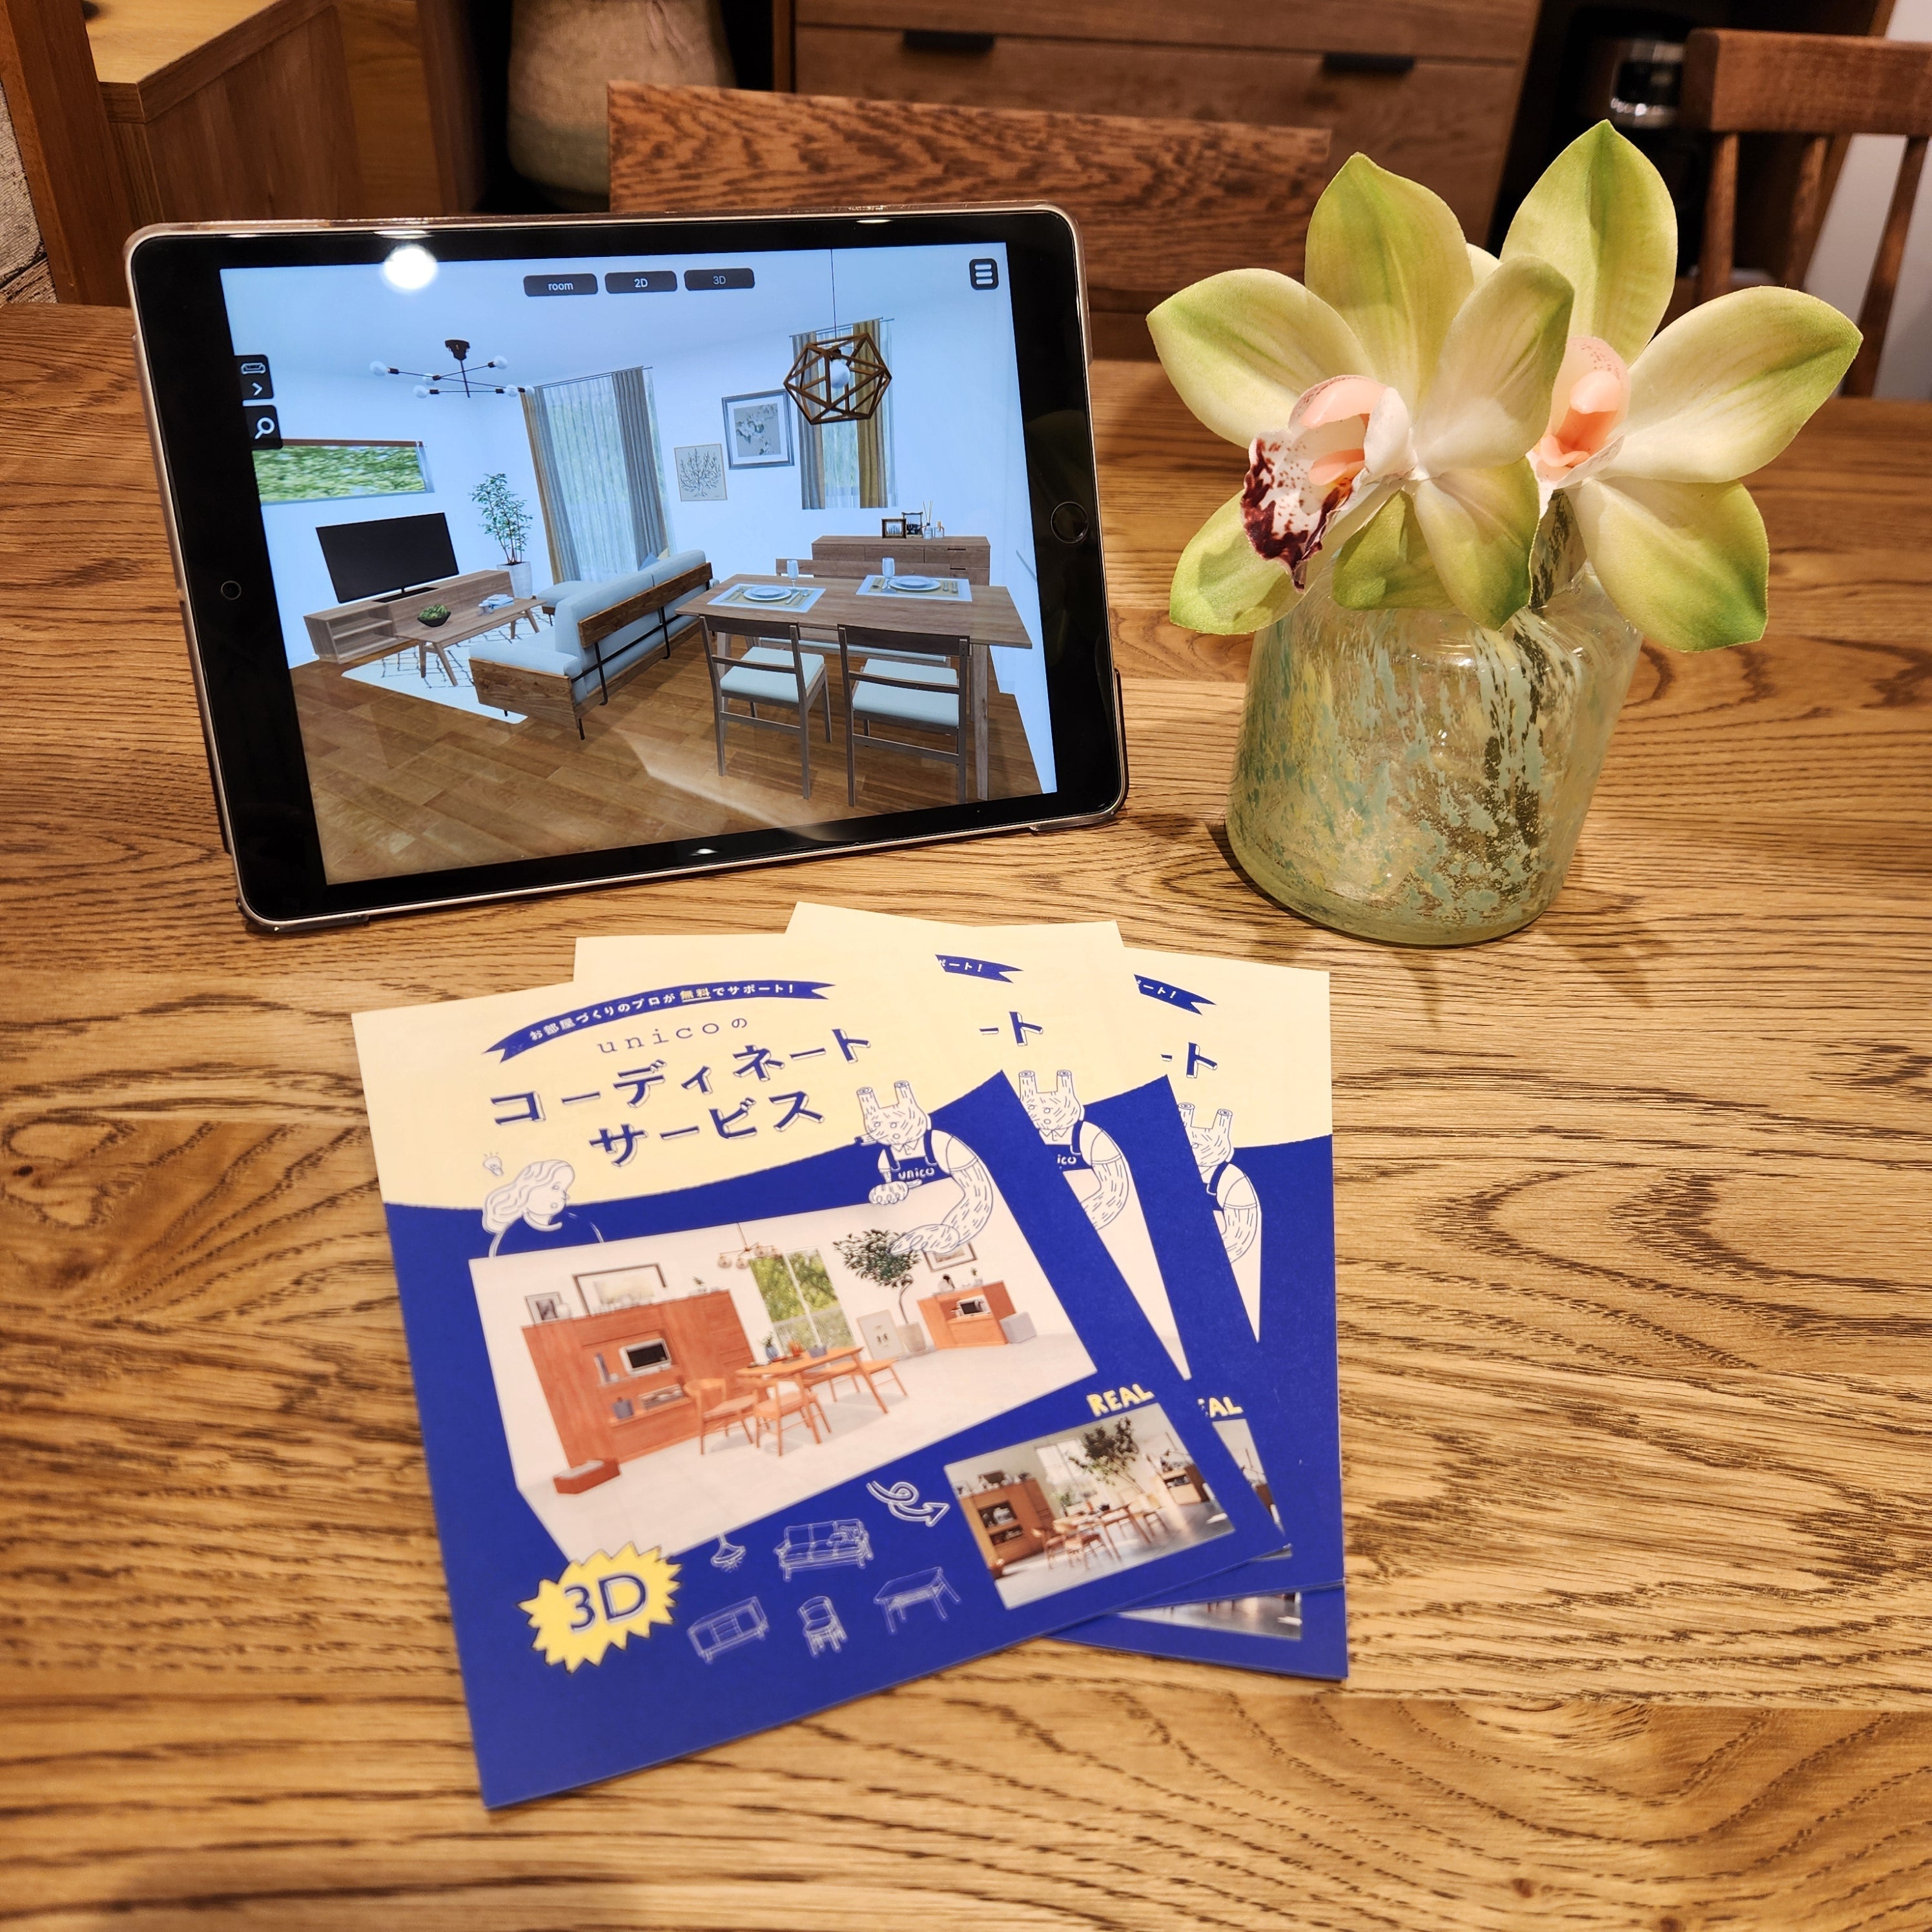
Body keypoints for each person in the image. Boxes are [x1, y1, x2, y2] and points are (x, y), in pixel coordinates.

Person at [482, 1158, 606, 1255]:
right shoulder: (513, 1234)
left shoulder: (580, 1227)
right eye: (556, 1188)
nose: (563, 1196)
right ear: (526, 1191)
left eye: (564, 1190)